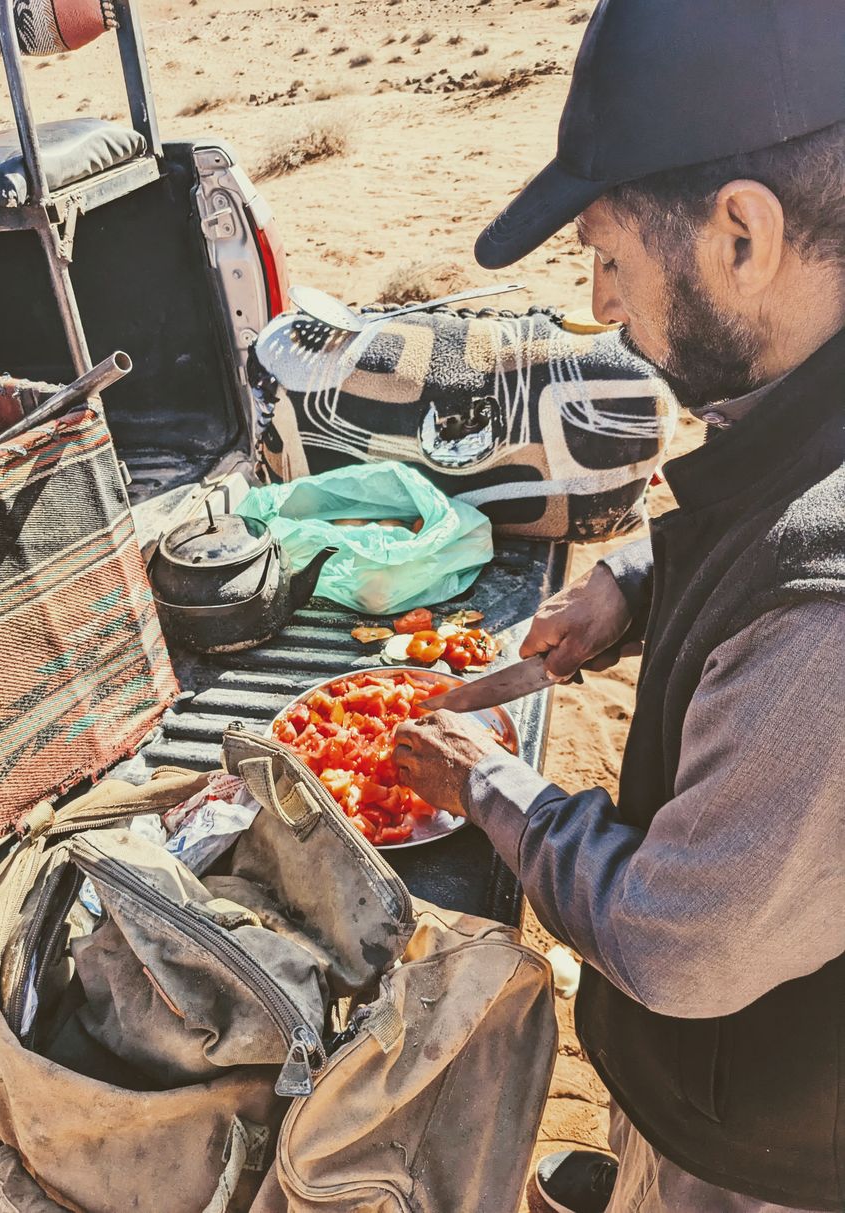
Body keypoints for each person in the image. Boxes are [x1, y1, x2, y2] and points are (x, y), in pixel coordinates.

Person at [392, 2, 845, 1211]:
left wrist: (489, 780)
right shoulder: (806, 379)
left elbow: (677, 945)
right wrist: (632, 592)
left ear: (741, 232)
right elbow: (771, 502)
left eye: (610, 254)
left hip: (774, 1135)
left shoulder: (825, 625)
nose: (597, 306)